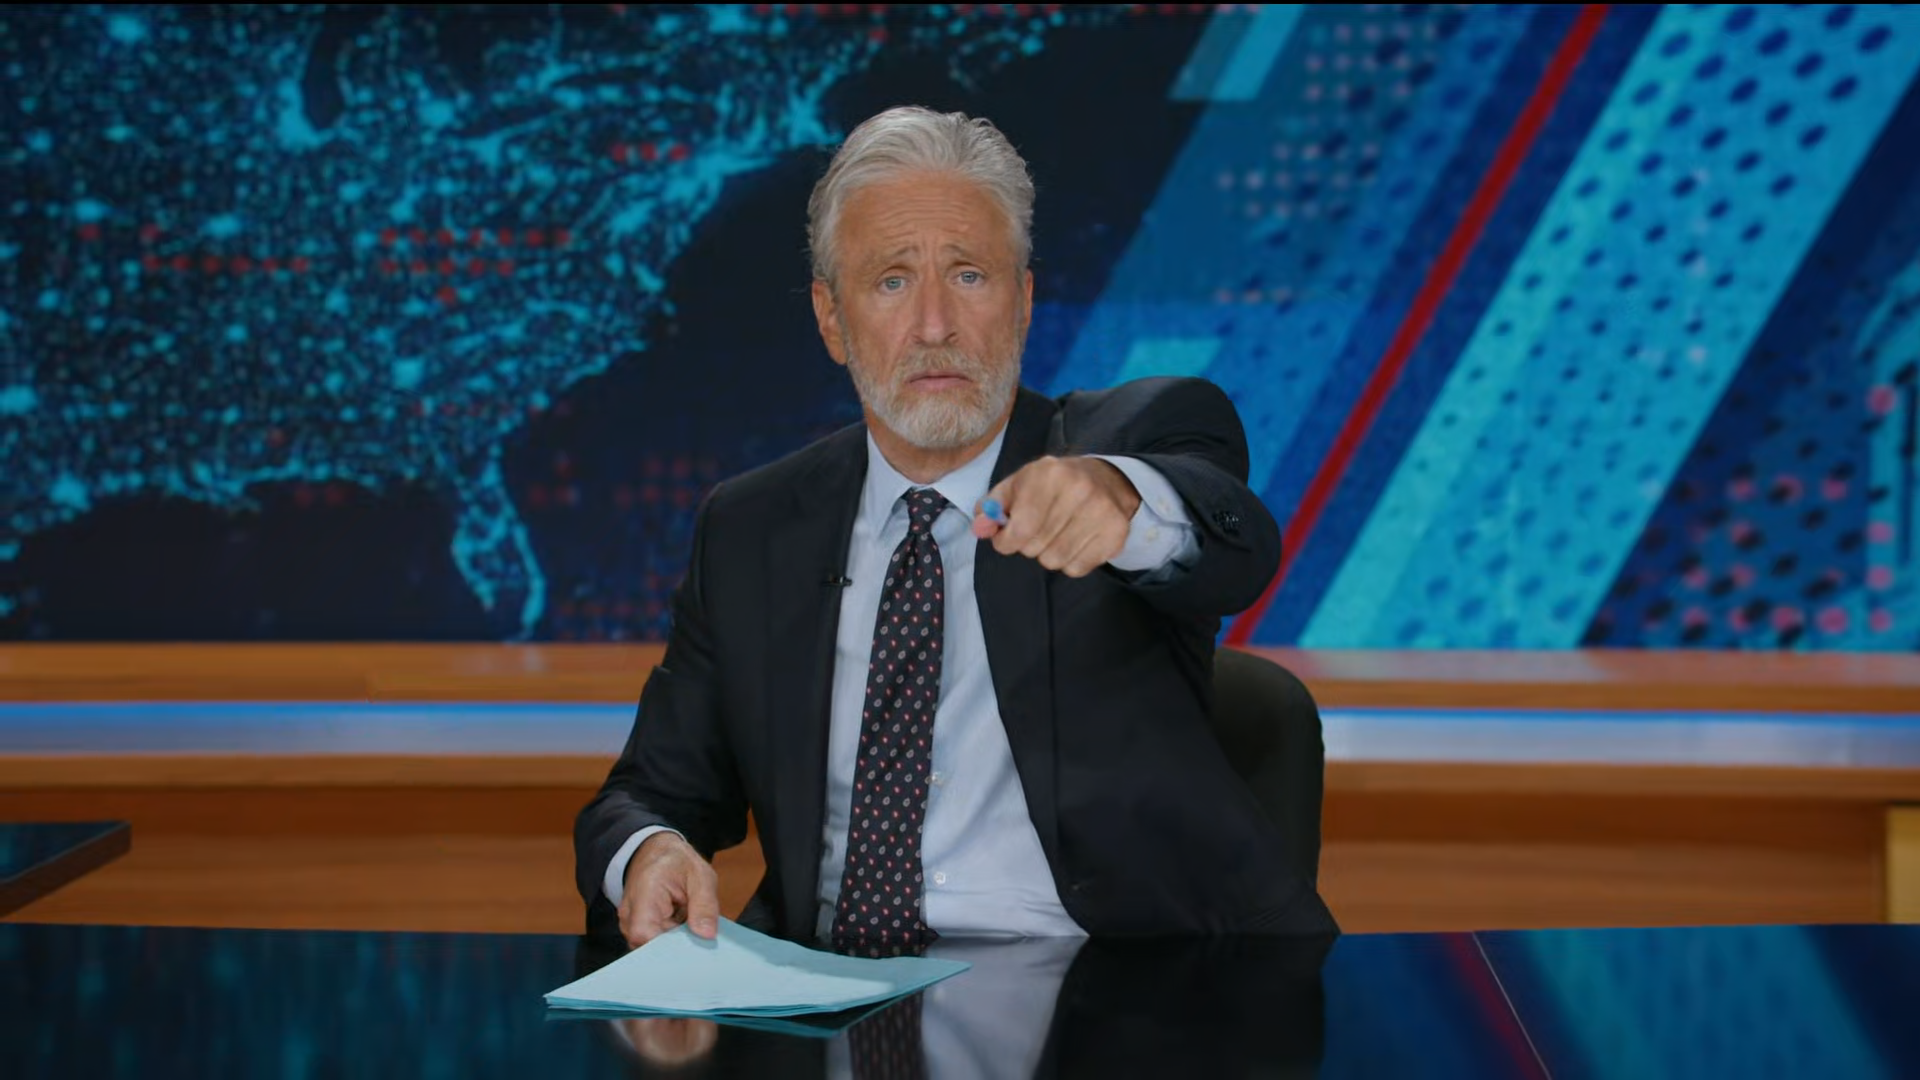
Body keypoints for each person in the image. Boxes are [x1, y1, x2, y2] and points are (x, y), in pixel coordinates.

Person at [574, 104, 1337, 951]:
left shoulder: (1131, 442)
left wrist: (1122, 505)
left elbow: (1234, 548)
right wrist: (650, 851)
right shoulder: (749, 529)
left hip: (1108, 991)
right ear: (831, 319)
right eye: (892, 281)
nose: (934, 325)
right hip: (828, 989)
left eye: (969, 275)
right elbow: (649, 792)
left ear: (1024, 300)